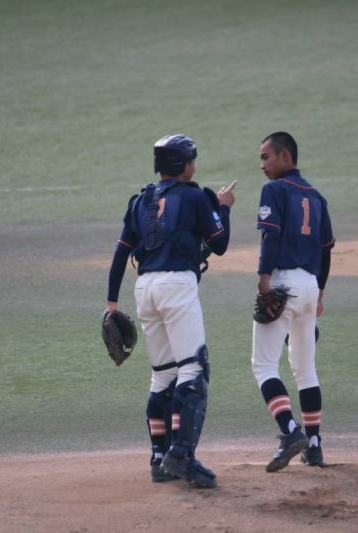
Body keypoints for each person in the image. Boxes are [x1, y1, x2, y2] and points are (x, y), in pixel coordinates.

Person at [106, 134, 237, 488]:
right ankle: (182, 455)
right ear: (184, 166)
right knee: (194, 370)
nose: (195, 165)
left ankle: (159, 457)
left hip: (144, 290)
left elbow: (121, 251)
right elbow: (220, 244)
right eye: (192, 160)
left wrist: (111, 304)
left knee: (163, 376)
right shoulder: (195, 197)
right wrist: (223, 207)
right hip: (176, 286)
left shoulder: (141, 200)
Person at [251, 131, 335, 472]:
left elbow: (270, 236)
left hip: (282, 282)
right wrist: (320, 292)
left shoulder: (274, 189)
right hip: (310, 286)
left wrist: (263, 280)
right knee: (305, 369)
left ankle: (290, 432)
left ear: (285, 156)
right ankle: (314, 447)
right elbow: (326, 251)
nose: (262, 165)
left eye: (266, 157)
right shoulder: (316, 196)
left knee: (263, 365)